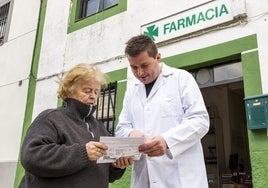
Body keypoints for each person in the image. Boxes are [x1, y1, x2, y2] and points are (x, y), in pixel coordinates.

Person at [115, 35, 210, 188]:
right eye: (134, 67)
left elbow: (200, 121)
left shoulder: (181, 79)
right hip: (144, 179)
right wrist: (132, 134)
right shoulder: (131, 91)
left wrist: (167, 141)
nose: (139, 73)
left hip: (181, 180)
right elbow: (121, 128)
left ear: (157, 57)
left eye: (145, 65)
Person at [19, 63, 132, 188]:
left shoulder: (99, 127)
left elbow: (106, 175)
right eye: (87, 90)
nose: (93, 96)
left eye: (96, 92)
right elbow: (31, 156)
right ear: (69, 91)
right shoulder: (51, 118)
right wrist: (82, 153)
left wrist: (116, 166)